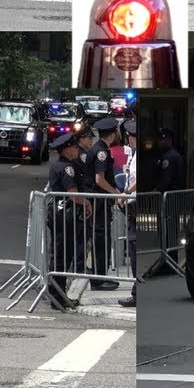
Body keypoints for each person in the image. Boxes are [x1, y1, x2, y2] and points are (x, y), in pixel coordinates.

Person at [46, 132, 89, 310]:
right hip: (65, 215)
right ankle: (57, 297)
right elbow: (72, 193)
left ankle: (57, 294)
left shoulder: (60, 165)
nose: (76, 150)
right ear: (66, 150)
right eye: (74, 147)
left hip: (59, 214)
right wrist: (86, 202)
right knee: (62, 257)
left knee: (60, 255)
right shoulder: (66, 168)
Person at [82, 117, 123, 290]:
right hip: (99, 201)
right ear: (113, 134)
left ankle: (100, 276)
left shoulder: (97, 148)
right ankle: (99, 279)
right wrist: (115, 193)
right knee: (101, 238)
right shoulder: (101, 152)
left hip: (98, 200)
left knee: (101, 237)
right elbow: (100, 179)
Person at [119, 135, 137, 308]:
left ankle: (137, 292)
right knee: (133, 247)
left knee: (134, 247)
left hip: (136, 204)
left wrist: (126, 193)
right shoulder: (134, 155)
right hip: (133, 205)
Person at [154, 128, 184, 193]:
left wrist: (157, 190)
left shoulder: (169, 157)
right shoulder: (172, 154)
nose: (160, 142)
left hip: (169, 193)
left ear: (169, 140)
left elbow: (166, 178)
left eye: (163, 140)